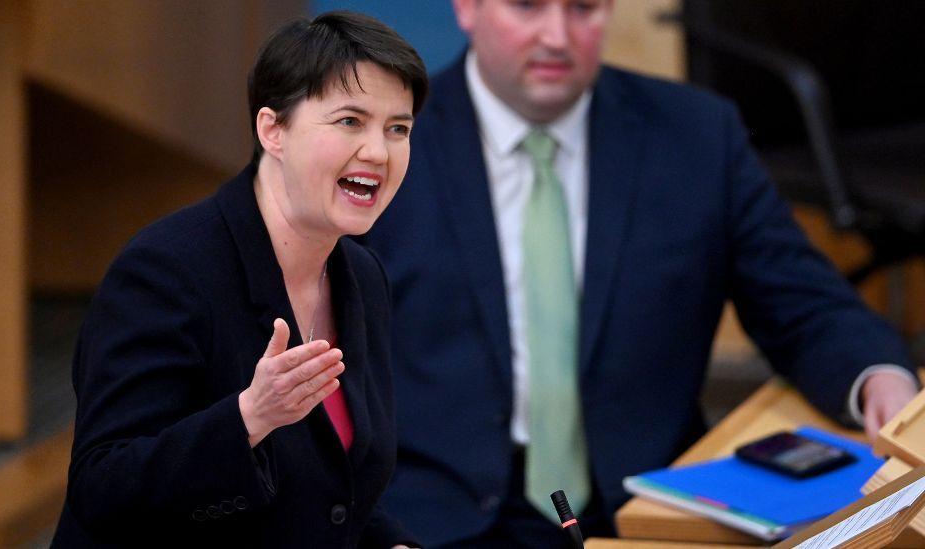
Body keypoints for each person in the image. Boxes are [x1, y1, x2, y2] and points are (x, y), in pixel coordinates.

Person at [361, 1, 920, 547]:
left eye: (583, 8)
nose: (557, 34)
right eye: (527, 6)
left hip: (645, 508)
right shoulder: (381, 146)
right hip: (431, 520)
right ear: (467, 8)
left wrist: (877, 377)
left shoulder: (697, 136)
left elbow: (803, 301)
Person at [52, 11, 427, 548]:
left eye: (398, 129)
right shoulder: (167, 271)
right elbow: (103, 487)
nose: (378, 151)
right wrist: (249, 418)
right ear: (273, 129)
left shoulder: (362, 277)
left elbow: (337, 495)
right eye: (350, 121)